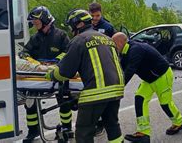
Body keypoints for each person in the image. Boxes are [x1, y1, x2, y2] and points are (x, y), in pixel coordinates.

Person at [46, 9, 124, 143]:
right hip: (116, 89)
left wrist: (51, 75)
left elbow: (65, 72)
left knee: (84, 131)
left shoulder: (79, 40)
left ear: (79, 24)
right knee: (112, 126)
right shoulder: (107, 39)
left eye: (71, 26)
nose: (71, 30)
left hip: (97, 91)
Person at [112, 32, 182, 143]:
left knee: (166, 103)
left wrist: (118, 88)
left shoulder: (135, 49)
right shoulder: (126, 51)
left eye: (114, 44)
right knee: (140, 99)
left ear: (121, 42)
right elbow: (121, 68)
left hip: (162, 75)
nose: (113, 47)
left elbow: (130, 70)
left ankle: (178, 123)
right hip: (150, 79)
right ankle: (143, 133)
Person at [19, 6, 72, 142]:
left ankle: (67, 128)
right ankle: (33, 130)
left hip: (58, 73)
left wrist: (56, 62)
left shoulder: (61, 35)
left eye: (36, 22)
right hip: (39, 75)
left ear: (45, 20)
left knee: (64, 101)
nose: (35, 25)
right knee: (30, 102)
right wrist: (34, 63)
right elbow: (24, 53)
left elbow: (69, 51)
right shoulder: (36, 38)